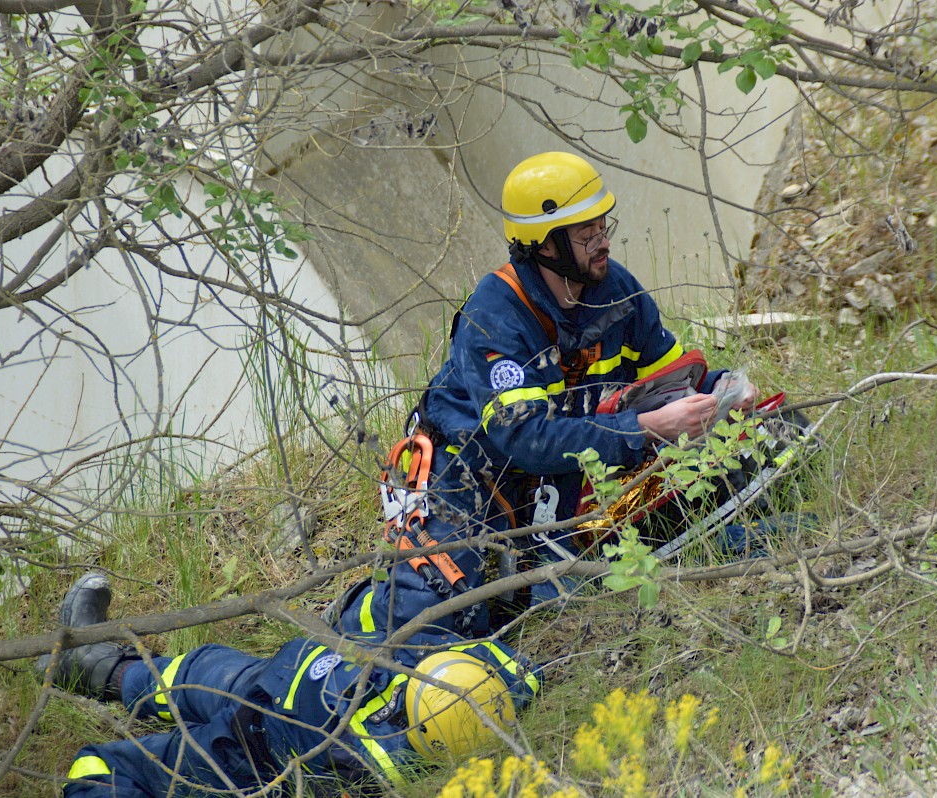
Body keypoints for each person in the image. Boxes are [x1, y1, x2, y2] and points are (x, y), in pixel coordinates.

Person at [333, 151, 759, 639]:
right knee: (446, 611)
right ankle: (356, 619)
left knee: (597, 575)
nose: (604, 243)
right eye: (587, 235)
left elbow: (671, 374)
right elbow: (526, 438)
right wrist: (643, 428)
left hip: (566, 462)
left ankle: (534, 576)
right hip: (466, 467)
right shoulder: (494, 316)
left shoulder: (616, 289)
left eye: (604, 226)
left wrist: (723, 390)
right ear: (546, 246)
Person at [39, 572, 542, 798]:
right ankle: (93, 666)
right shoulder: (471, 688)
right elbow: (523, 675)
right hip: (270, 680)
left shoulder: (363, 756)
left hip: (241, 754)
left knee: (101, 766)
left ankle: (91, 674)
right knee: (195, 670)